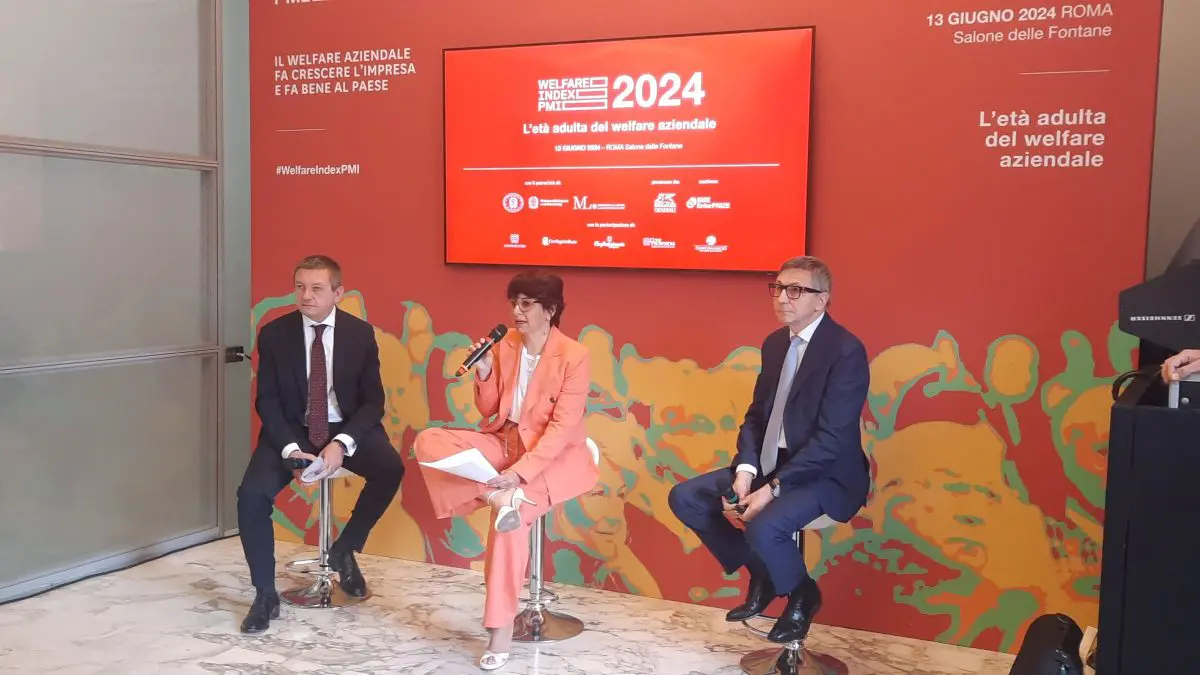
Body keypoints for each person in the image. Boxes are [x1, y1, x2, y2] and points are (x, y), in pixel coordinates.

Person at [668, 255, 870, 644]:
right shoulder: (776, 344)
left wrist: (771, 489)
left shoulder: (845, 350)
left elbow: (832, 438)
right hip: (769, 463)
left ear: (821, 300)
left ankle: (802, 594)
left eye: (794, 290)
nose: (781, 298)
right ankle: (762, 571)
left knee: (765, 525)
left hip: (826, 474)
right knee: (686, 498)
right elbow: (757, 415)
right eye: (777, 288)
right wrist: (746, 471)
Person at [413, 270, 598, 671]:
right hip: (505, 441)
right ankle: (496, 495)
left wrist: (519, 475)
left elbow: (561, 429)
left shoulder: (574, 355)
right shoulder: (507, 344)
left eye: (527, 304)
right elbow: (490, 410)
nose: (517, 311)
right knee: (428, 441)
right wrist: (483, 372)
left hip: (553, 457)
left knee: (508, 525)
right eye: (514, 303)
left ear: (550, 309)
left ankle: (499, 631)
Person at [236, 255, 404, 634]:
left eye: (316, 288)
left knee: (390, 468)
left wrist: (342, 443)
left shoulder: (360, 334)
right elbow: (267, 401)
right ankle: (264, 595)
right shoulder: (274, 334)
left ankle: (344, 549)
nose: (306, 296)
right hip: (290, 430)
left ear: (337, 293)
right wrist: (290, 449)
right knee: (251, 495)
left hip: (344, 427)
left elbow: (372, 403)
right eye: (300, 287)